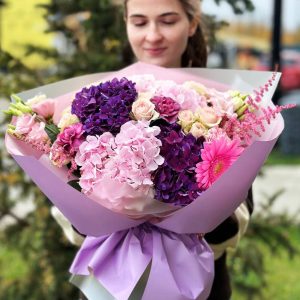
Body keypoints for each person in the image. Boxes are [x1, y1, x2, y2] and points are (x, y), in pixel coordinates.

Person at [52, 0, 254, 299]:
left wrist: (184, 216)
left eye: (168, 21)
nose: (152, 35)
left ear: (193, 23)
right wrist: (103, 215)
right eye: (139, 22)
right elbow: (67, 208)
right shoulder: (96, 101)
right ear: (126, 23)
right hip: (111, 285)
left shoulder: (224, 105)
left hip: (196, 285)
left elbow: (240, 214)